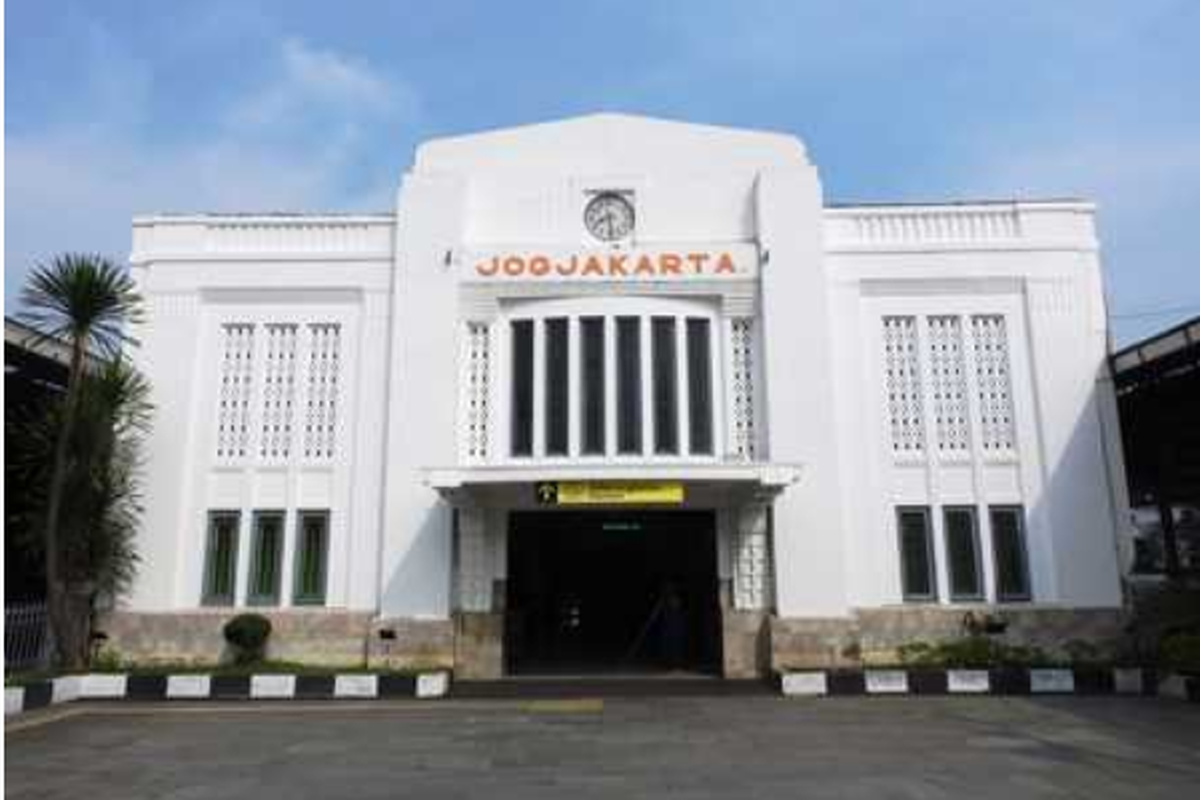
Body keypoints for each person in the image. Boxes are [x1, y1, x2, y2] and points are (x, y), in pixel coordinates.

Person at [658, 584, 688, 670]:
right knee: (669, 643)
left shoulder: (676, 599)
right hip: (670, 625)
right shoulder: (665, 602)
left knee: (677, 643)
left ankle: (677, 662)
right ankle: (670, 662)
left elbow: (677, 607)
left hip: (676, 624)